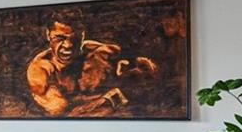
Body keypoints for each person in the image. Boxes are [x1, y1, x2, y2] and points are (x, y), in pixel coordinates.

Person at [25, 19, 157, 117]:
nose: (68, 45)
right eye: (59, 38)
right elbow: (62, 115)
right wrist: (110, 98)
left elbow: (148, 69)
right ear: (48, 35)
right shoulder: (41, 71)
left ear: (83, 35)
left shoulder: (100, 52)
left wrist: (129, 70)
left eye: (75, 38)